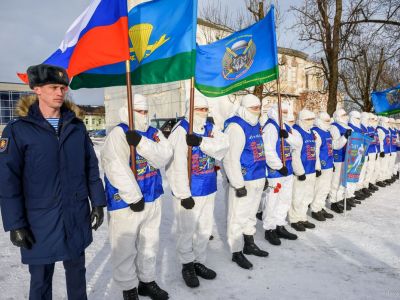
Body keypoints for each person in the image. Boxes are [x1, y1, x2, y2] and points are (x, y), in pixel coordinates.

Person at [0, 64, 106, 300]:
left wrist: (98, 201)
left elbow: (90, 167)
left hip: (74, 213)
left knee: (77, 273)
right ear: (37, 89)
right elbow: (8, 181)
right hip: (38, 218)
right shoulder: (18, 130)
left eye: (63, 87)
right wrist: (15, 223)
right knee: (40, 279)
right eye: (54, 87)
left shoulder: (76, 127)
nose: (60, 92)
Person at [101, 94, 172, 300]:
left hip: (153, 195)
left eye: (145, 111)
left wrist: (141, 142)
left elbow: (164, 155)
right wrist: (133, 197)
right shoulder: (118, 133)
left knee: (150, 242)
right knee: (125, 247)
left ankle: (147, 281)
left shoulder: (153, 132)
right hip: (127, 202)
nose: (143, 115)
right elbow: (115, 166)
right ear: (128, 111)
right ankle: (129, 287)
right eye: (139, 111)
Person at [166, 95, 229, 288]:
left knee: (204, 228)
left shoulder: (209, 129)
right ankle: (187, 265)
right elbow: (175, 166)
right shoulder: (180, 131)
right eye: (199, 109)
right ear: (190, 109)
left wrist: (201, 143)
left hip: (208, 187)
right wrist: (183, 194)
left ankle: (199, 261)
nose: (203, 113)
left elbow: (223, 146)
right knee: (187, 230)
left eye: (205, 109)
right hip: (189, 192)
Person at [223, 94, 269, 270]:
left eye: (258, 108)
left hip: (257, 176)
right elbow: (230, 158)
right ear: (244, 108)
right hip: (243, 179)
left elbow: (259, 151)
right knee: (237, 216)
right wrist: (238, 183)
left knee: (250, 214)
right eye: (253, 108)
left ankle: (249, 243)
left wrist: (263, 176)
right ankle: (236, 251)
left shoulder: (256, 125)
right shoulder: (236, 126)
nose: (256, 112)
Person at [261, 103, 299, 245]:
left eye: (285, 111)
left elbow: (298, 143)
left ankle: (279, 224)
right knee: (272, 200)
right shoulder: (271, 127)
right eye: (280, 111)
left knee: (285, 199)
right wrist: (278, 165)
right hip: (275, 172)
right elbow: (267, 149)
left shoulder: (286, 127)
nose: (283, 113)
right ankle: (269, 229)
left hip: (288, 170)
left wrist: (287, 136)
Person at [288, 109, 319, 231]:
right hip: (301, 170)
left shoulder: (311, 131)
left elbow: (315, 150)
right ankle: (294, 219)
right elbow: (295, 154)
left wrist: (316, 167)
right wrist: (299, 171)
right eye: (308, 119)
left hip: (310, 169)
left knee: (307, 196)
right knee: (297, 196)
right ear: (301, 119)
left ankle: (302, 217)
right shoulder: (296, 131)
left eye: (312, 119)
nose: (310, 122)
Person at [310, 112, 334, 222]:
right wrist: (317, 166)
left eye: (329, 121)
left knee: (325, 189)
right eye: (326, 121)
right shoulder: (316, 132)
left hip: (329, 164)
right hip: (322, 165)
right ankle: (315, 209)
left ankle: (321, 207)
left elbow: (331, 147)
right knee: (319, 189)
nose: (328, 123)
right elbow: (316, 151)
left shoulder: (327, 132)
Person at [329, 108, 353, 213]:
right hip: (338, 158)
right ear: (338, 117)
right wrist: (345, 137)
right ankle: (333, 202)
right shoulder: (334, 127)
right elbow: (335, 145)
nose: (345, 116)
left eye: (345, 114)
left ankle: (340, 199)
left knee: (343, 181)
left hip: (347, 157)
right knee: (335, 182)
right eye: (343, 115)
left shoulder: (348, 127)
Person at [347, 111, 368, 203]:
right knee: (349, 177)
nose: (358, 120)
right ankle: (347, 196)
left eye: (359, 118)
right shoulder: (349, 128)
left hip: (359, 154)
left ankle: (352, 194)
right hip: (351, 156)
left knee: (356, 176)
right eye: (356, 118)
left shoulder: (359, 128)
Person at [363, 113, 379, 193]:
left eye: (374, 120)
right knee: (367, 170)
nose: (373, 121)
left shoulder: (373, 128)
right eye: (372, 119)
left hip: (374, 151)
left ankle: (368, 183)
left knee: (371, 169)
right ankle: (364, 186)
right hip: (368, 152)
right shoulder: (367, 128)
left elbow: (375, 141)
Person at [376, 117, 391, 187]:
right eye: (387, 122)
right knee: (381, 166)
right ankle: (379, 179)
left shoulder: (387, 130)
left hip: (387, 150)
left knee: (385, 166)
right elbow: (380, 141)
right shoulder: (380, 130)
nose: (388, 124)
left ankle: (383, 178)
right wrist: (382, 151)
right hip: (383, 151)